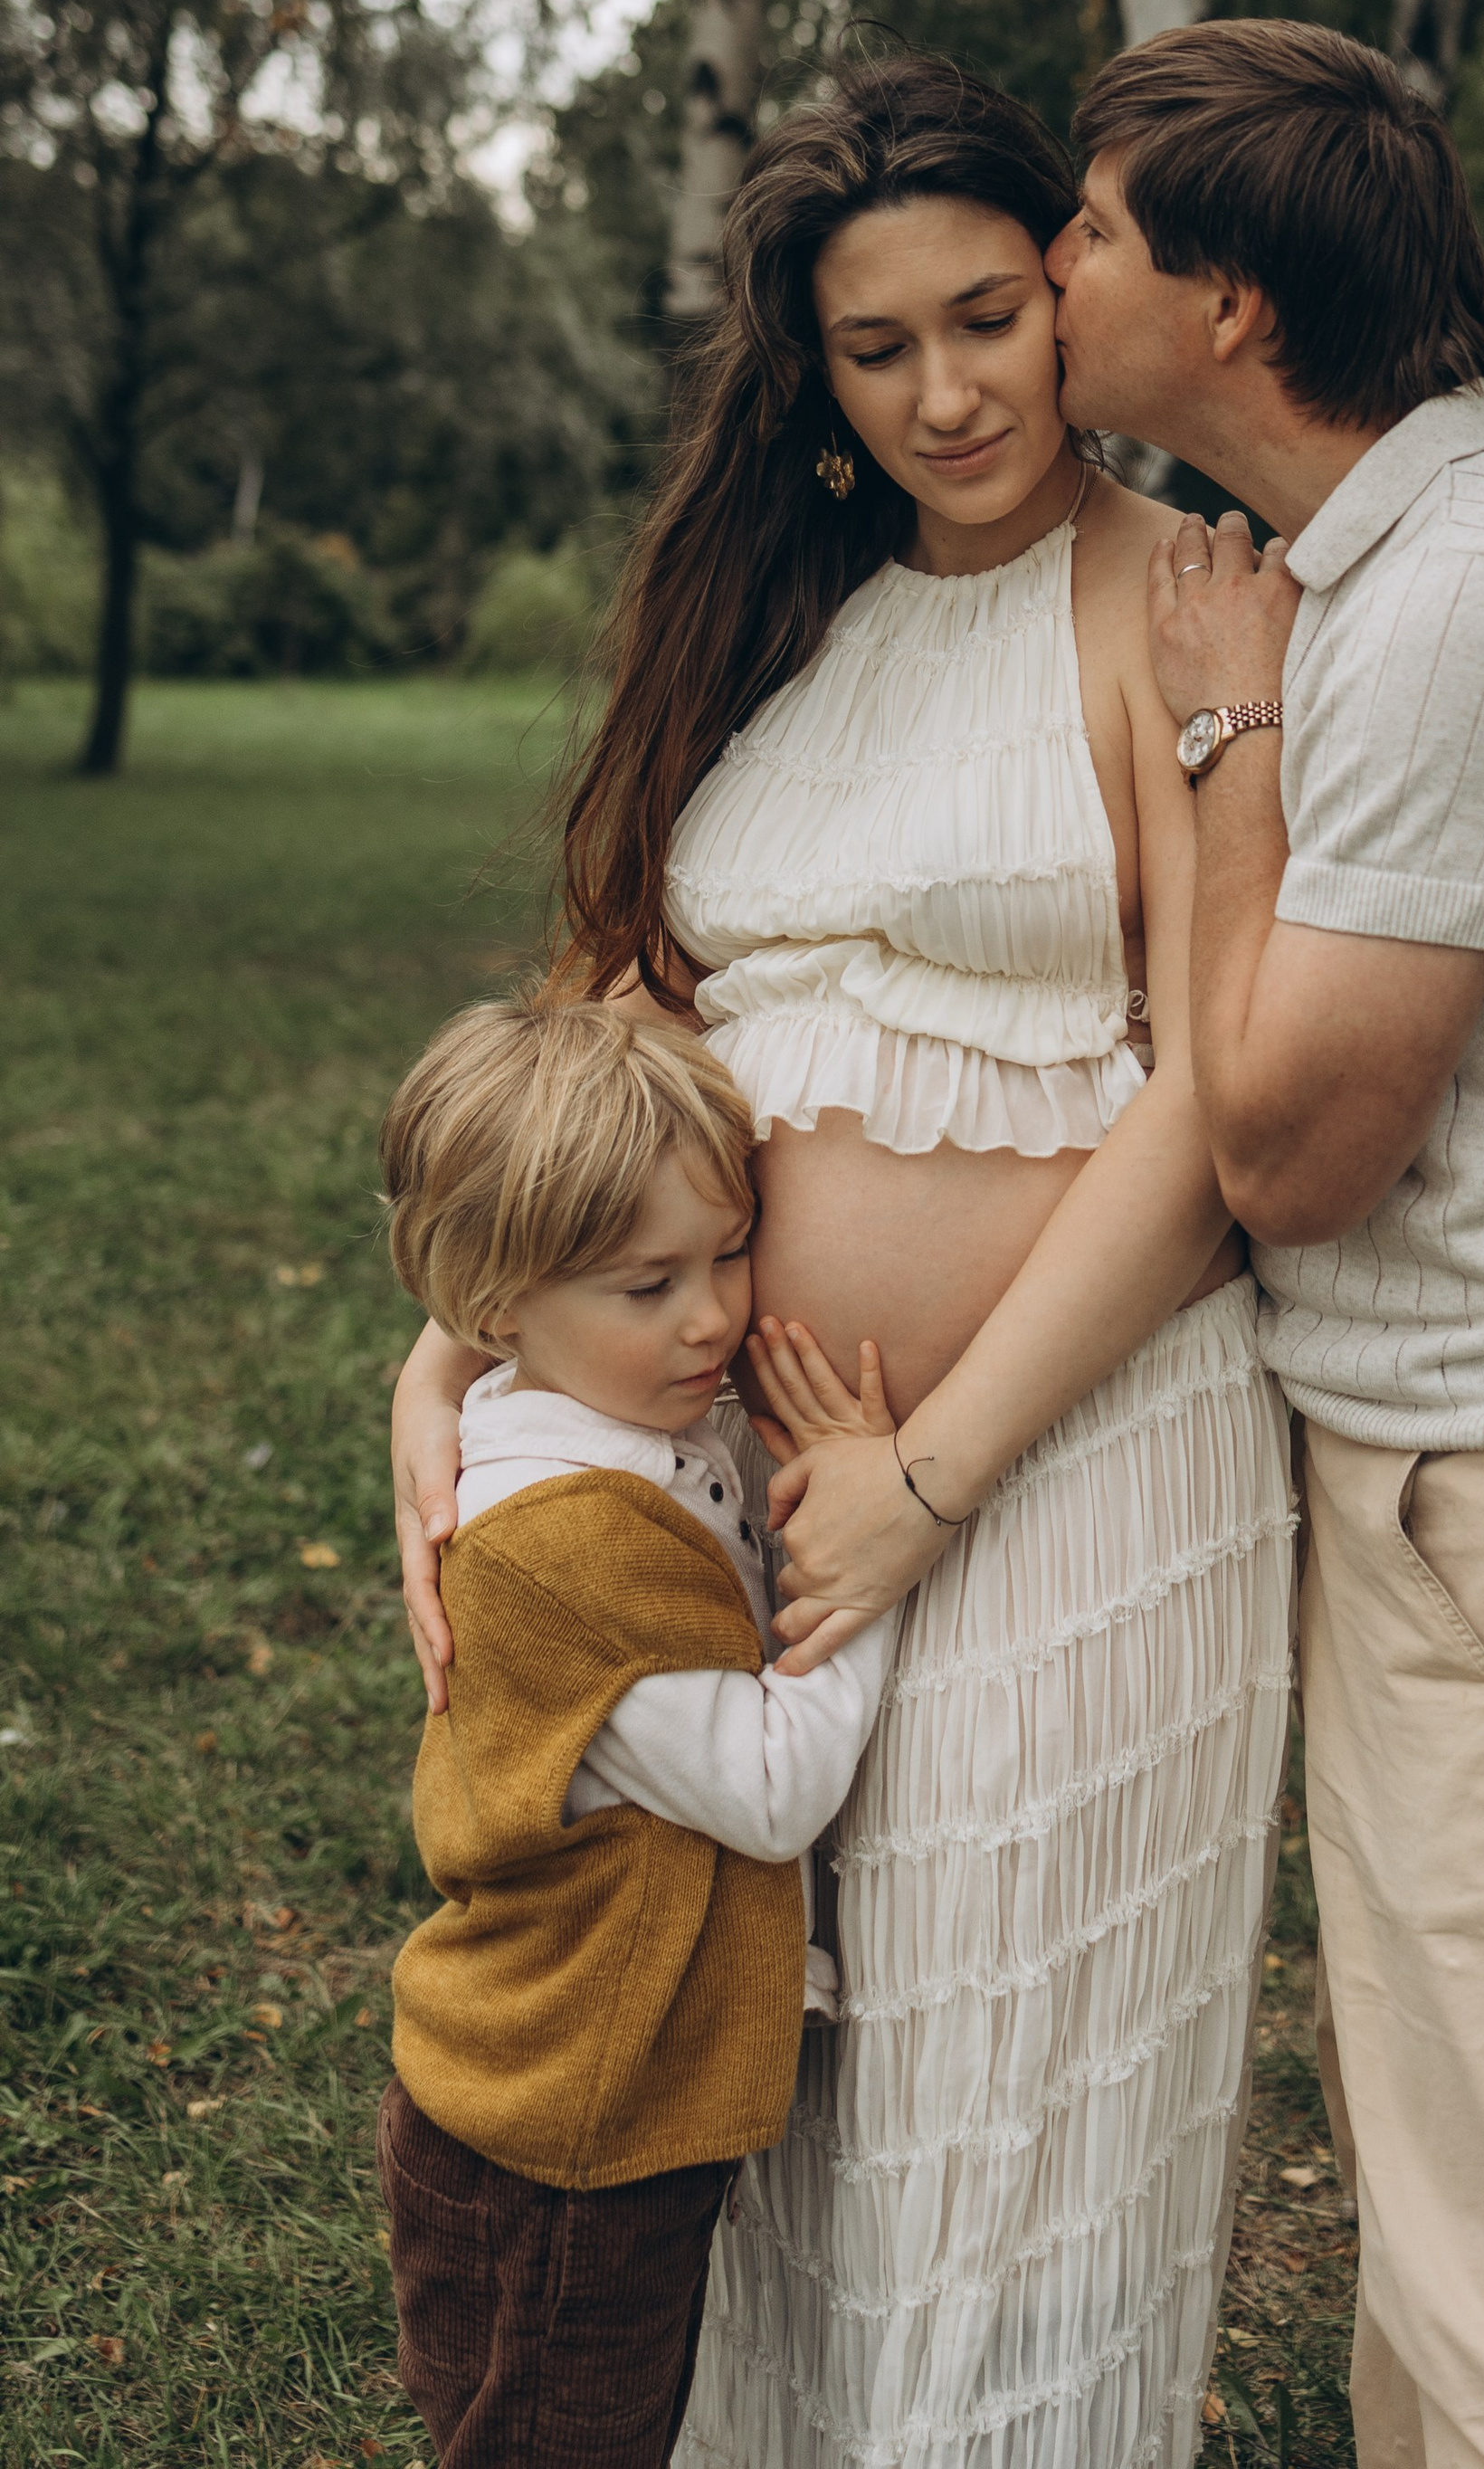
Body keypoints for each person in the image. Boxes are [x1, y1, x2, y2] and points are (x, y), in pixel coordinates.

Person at [770, 20, 1484, 2469]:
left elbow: (1283, 1158)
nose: (1051, 270)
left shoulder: (1460, 610)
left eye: (1095, 241)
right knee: (1461, 2236)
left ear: (1226, 311)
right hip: (1470, 1493)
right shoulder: (1396, 567)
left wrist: (1228, 750)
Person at [390, 59, 1295, 2469]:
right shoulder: (779, 610)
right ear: (811, 370)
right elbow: (620, 1022)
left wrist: (946, 1468)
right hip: (743, 1489)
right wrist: (456, 1360)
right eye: (875, 349)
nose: (948, 393)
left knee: (1014, 2096)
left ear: (1072, 280)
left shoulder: (1177, 592)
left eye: (987, 315)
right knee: (785, 2092)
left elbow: (1220, 1093)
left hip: (1071, 1468)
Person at [375, 992, 894, 2469]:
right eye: (645, 1283)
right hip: (561, 2145)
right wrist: (867, 1550)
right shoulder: (566, 1544)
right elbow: (773, 1786)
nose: (714, 1314)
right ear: (491, 1316)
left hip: (586, 2097)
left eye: (728, 1253)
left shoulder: (635, 1428)